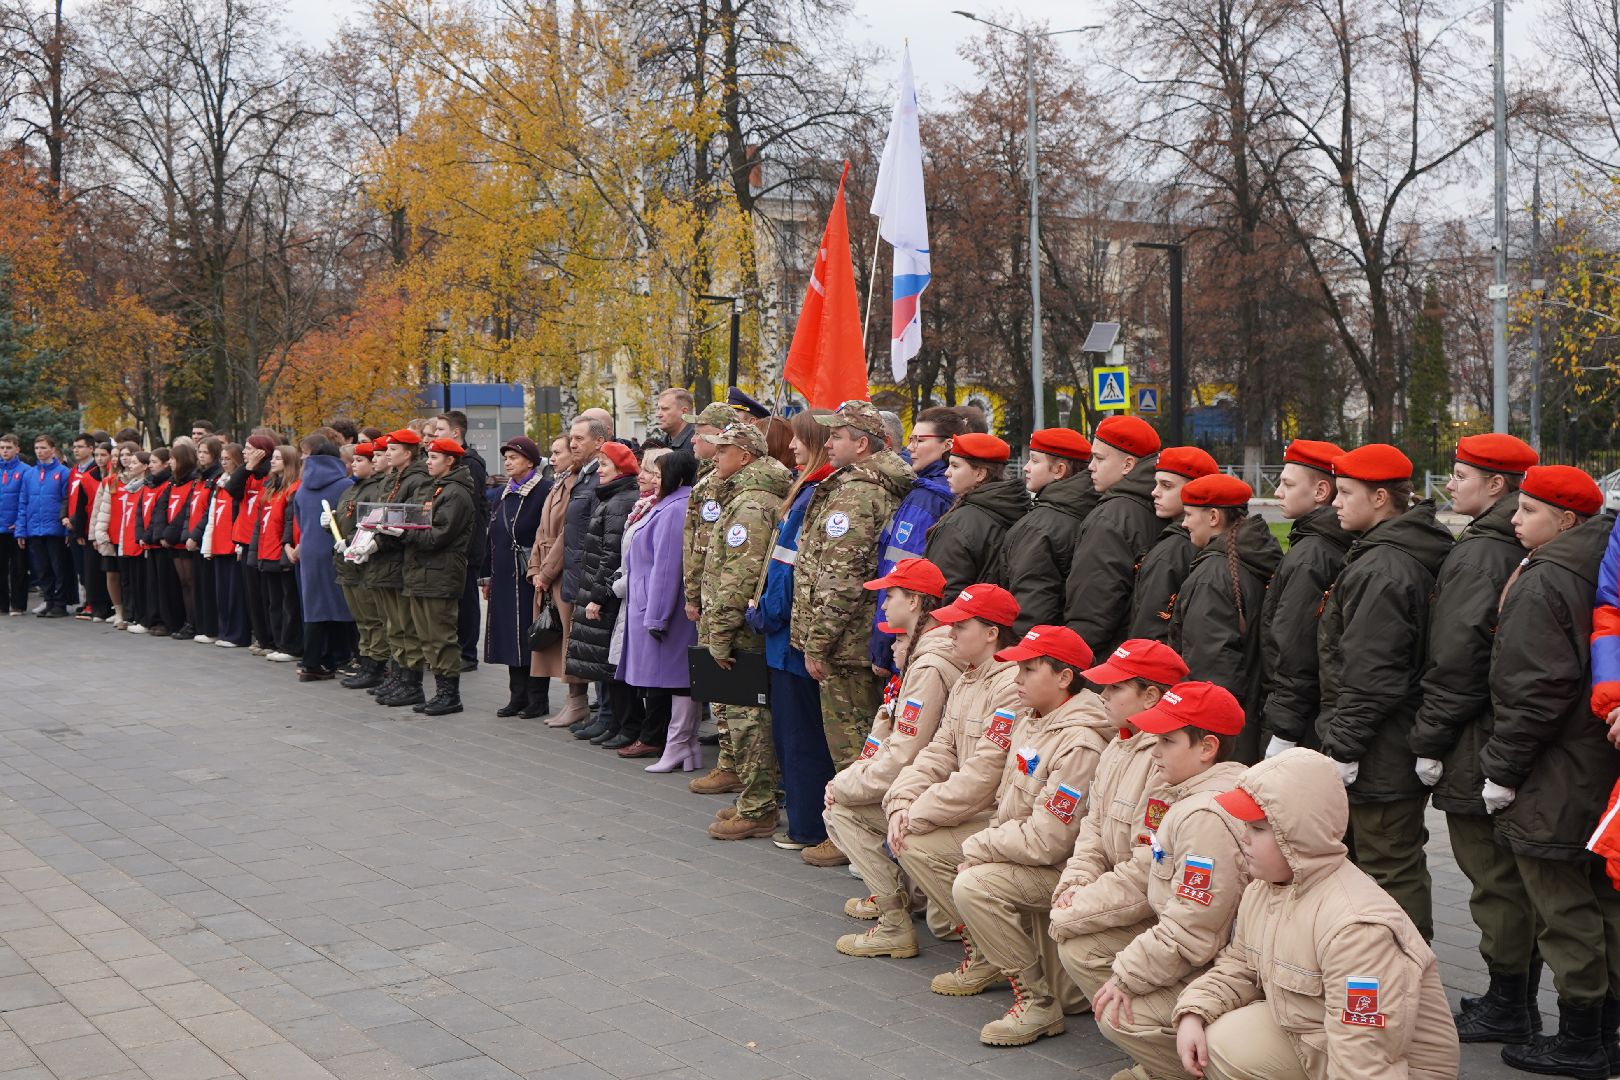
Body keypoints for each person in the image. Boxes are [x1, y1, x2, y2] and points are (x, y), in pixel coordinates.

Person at [1172, 748, 1460, 1080]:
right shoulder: (1264, 888)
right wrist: (1195, 1011)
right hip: (1315, 1036)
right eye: (1244, 826)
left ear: (1297, 834)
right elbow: (1237, 967)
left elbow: (1364, 1055)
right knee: (1221, 1036)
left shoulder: (1357, 927)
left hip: (1390, 1069)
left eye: (1259, 829)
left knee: (1229, 1042)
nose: (1243, 838)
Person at [1480, 465, 1619, 1079]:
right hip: (1597, 761)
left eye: (1529, 509)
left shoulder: (1545, 579)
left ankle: (1580, 1040)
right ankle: (1606, 1035)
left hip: (1555, 770)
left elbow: (1532, 688)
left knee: (1563, 908)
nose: (1514, 518)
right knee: (1604, 898)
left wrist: (1502, 770)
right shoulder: (1601, 561)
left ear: (1566, 520)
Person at [1405, 433, 1543, 1044]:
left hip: (1474, 735)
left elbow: (1458, 654)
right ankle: (1512, 997)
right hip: (1492, 728)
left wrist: (1430, 739)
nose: (1451, 484)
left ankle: (1509, 1002)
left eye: (1462, 475)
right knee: (1502, 875)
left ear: (1497, 486)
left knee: (1490, 876)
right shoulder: (1499, 543)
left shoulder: (1482, 552)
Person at [1064, 682, 1250, 1080]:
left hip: (1222, 967)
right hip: (1192, 946)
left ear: (1207, 748)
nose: (1155, 750)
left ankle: (1180, 1066)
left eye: (1167, 740)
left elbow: (1194, 928)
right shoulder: (1183, 792)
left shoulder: (1206, 816)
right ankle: (1159, 1055)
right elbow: (1143, 868)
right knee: (1082, 945)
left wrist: (1127, 976)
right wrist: (1077, 903)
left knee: (1116, 1014)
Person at [950, 623, 1111, 1047]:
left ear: (1063, 678)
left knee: (972, 883)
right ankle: (1001, 960)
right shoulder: (1031, 720)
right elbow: (1009, 803)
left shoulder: (1079, 743)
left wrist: (979, 847)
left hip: (1061, 873)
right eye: (1016, 670)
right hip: (1027, 854)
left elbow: (1048, 842)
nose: (1016, 680)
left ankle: (1037, 1002)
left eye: (1028, 671)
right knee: (944, 857)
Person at [1316, 443, 1452, 941]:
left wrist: (1344, 746)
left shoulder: (1384, 568)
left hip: (1380, 746)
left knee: (1389, 867)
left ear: (1378, 499)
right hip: (1382, 739)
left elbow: (1375, 671)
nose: (1336, 502)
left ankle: (1404, 982)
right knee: (1385, 861)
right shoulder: (1384, 554)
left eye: (1346, 492)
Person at [884, 584, 1022, 997]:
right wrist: (902, 799)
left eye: (962, 625)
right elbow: (938, 750)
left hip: (997, 815)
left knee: (916, 841)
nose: (951, 633)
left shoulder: (1010, 685)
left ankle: (988, 954)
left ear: (992, 633)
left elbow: (984, 774)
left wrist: (918, 813)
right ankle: (971, 937)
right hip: (967, 808)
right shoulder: (967, 678)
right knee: (905, 830)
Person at [827, 557, 966, 953]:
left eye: (891, 596)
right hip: (934, 785)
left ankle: (894, 922)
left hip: (934, 789)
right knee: (846, 797)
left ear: (917, 601)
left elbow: (906, 753)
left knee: (841, 808)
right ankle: (910, 899)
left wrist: (843, 784)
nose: (884, 606)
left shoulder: (930, 663)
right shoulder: (928, 653)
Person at [1049, 639, 1190, 993]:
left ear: (1151, 696)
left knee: (1075, 942)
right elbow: (1092, 827)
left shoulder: (1165, 761)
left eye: (1116, 687)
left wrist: (1083, 902)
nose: (1104, 694)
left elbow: (1149, 866)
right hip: (1112, 885)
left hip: (1154, 905)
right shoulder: (1118, 744)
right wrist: (1077, 882)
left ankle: (1156, 1022)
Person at [793, 400, 914, 769]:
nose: (827, 444)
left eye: (836, 436)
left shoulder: (857, 495)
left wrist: (817, 644)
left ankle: (854, 826)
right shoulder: (865, 485)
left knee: (852, 751)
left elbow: (842, 577)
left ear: (861, 445)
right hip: (855, 640)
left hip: (846, 647)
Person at [697, 424, 793, 841]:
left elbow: (738, 576)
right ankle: (755, 799)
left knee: (748, 720)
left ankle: (759, 808)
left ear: (746, 456)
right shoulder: (744, 496)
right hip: (739, 627)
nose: (715, 457)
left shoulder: (751, 505)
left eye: (723, 450)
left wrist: (718, 634)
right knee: (746, 718)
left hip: (740, 634)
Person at [755, 411, 840, 845]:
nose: (790, 446)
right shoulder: (811, 489)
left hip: (788, 637)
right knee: (796, 733)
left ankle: (807, 826)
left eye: (799, 439)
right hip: (788, 635)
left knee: (799, 736)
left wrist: (765, 613)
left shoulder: (812, 494)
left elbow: (788, 568)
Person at [1168, 474, 1282, 763]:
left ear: (1214, 517)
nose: (1184, 523)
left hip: (1221, 733)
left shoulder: (1212, 577)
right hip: (1248, 718)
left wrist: (1204, 734)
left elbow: (1211, 668)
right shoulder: (1248, 558)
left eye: (1190, 515)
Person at [1260, 439, 1351, 756]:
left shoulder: (1310, 555)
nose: (1277, 492)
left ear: (1321, 492)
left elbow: (1294, 647)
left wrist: (1283, 730)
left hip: (1300, 720)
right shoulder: (1317, 544)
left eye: (1287, 483)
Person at [868, 406, 964, 672]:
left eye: (920, 440)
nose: (911, 447)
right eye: (911, 439)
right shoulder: (926, 490)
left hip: (906, 638)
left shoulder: (928, 497)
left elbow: (900, 577)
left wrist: (883, 642)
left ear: (948, 444)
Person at [617, 452, 698, 759]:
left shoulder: (675, 508)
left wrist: (657, 618)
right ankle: (682, 748)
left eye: (658, 473)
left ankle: (678, 746)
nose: (650, 478)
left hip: (662, 610)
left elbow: (666, 567)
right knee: (671, 680)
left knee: (675, 680)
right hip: (650, 603)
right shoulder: (665, 505)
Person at [392, 437, 480, 715]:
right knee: (426, 635)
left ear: (450, 460)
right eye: (428, 457)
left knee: (440, 635)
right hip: (421, 571)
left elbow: (440, 535)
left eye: (434, 457)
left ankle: (449, 694)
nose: (427, 462)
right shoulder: (435, 487)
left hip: (440, 572)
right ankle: (441, 692)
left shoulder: (456, 493)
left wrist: (404, 532)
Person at [1064, 416, 1162, 657]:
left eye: (1099, 458)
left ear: (1128, 465)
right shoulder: (1158, 503)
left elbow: (1092, 607)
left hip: (1108, 659)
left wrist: (1073, 660)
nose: (1090, 466)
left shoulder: (1110, 519)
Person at [566, 441, 639, 740]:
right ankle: (612, 721)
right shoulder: (611, 497)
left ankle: (623, 724)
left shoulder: (621, 501)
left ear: (621, 469)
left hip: (606, 594)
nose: (599, 473)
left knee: (612, 662)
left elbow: (611, 556)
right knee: (603, 661)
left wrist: (598, 596)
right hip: (598, 589)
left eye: (605, 466)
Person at [997, 428, 1097, 635]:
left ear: (1059, 470)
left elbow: (1031, 603)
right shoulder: (1092, 507)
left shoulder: (1040, 525)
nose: (1025, 467)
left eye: (1034, 461)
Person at [483, 436, 549, 717]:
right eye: (506, 458)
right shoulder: (502, 493)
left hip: (529, 575)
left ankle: (537, 698)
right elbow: (492, 535)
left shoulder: (544, 490)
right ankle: (516, 695)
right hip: (504, 575)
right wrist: (486, 577)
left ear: (530, 461)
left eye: (514, 458)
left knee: (530, 634)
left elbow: (547, 534)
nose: (508, 462)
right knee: (509, 634)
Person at [922, 432, 1028, 601]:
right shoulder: (1018, 508)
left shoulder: (958, 524)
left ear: (980, 474)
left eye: (955, 466)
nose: (947, 473)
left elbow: (942, 592)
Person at [1127, 445, 1218, 641]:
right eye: (1156, 484)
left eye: (1166, 486)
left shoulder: (1173, 551)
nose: (1154, 493)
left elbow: (1150, 631)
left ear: (1195, 490)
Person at [370, 430, 432, 707]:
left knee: (405, 624)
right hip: (386, 558)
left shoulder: (416, 479)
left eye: (393, 449)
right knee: (393, 625)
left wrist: (380, 536)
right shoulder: (393, 478)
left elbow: (408, 516)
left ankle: (411, 682)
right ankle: (398, 676)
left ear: (408, 453)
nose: (387, 454)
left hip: (399, 558)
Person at [529, 436, 587, 727]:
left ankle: (578, 701)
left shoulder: (576, 484)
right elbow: (542, 530)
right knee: (560, 638)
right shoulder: (557, 483)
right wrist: (535, 567)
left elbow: (568, 535)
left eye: (557, 452)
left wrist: (546, 571)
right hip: (548, 569)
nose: (552, 458)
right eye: (550, 453)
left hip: (562, 570)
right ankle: (572, 701)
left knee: (569, 638)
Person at [291, 435, 355, 681]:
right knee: (342, 604)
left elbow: (298, 518)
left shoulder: (302, 487)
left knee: (315, 607)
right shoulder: (343, 485)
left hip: (309, 549)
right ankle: (344, 655)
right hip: (334, 548)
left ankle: (312, 662)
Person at [562, 415, 608, 735]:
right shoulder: (583, 475)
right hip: (577, 571)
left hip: (591, 574)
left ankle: (606, 713)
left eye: (579, 439)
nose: (572, 444)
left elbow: (602, 533)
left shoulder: (600, 478)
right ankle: (601, 713)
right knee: (586, 646)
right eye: (571, 439)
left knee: (599, 646)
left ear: (599, 442)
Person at [433, 410, 487, 672]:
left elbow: (472, 509)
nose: (434, 435)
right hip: (453, 544)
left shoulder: (471, 463)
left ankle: (468, 652)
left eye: (440, 430)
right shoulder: (450, 462)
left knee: (466, 599)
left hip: (466, 544)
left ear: (456, 433)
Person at [333, 442, 385, 681]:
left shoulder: (374, 490)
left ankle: (375, 664)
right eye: (353, 461)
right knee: (360, 618)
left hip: (363, 561)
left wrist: (351, 541)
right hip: (347, 562)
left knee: (371, 617)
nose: (354, 465)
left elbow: (369, 524)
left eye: (360, 461)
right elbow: (346, 519)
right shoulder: (351, 489)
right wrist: (330, 524)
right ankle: (365, 661)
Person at [255, 444, 303, 663]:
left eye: (277, 458)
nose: (272, 461)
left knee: (288, 602)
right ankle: (277, 641)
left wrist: (286, 548)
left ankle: (290, 645)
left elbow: (288, 522)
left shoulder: (293, 488)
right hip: (267, 551)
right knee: (274, 601)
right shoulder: (272, 487)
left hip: (281, 552)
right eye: (272, 457)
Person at [17, 433, 73, 617]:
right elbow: (23, 502)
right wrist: (21, 530)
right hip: (34, 528)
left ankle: (60, 602)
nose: (39, 452)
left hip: (55, 529)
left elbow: (67, 501)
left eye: (43, 448)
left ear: (52, 450)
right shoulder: (29, 474)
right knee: (41, 568)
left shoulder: (63, 473)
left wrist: (66, 528)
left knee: (58, 567)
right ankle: (49, 600)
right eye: (37, 448)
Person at [205, 443, 251, 649]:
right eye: (221, 459)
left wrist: (240, 545)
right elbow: (212, 517)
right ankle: (224, 631)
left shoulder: (240, 483)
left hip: (233, 546)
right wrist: (208, 545)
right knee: (221, 592)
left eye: (228, 459)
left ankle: (237, 634)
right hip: (218, 544)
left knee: (235, 594)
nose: (223, 462)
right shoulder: (219, 482)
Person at [236, 436, 277, 653]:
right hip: (245, 539)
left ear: (262, 452)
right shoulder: (247, 472)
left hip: (264, 539)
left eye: (249, 449)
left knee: (266, 594)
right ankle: (261, 638)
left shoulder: (271, 476)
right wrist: (248, 467)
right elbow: (233, 489)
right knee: (252, 594)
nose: (244, 451)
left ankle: (271, 639)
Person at [186, 437, 223, 642]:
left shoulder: (216, 477)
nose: (201, 456)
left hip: (204, 537)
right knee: (199, 584)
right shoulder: (199, 477)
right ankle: (202, 626)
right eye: (199, 452)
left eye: (205, 452)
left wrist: (195, 535)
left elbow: (209, 511)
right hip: (195, 536)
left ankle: (211, 628)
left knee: (208, 585)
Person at [116, 449, 149, 633]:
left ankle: (141, 617)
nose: (130, 464)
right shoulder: (131, 488)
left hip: (138, 543)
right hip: (127, 541)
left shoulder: (145, 488)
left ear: (145, 466)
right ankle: (131, 615)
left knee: (140, 582)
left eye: (135, 462)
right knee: (129, 582)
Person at [0, 433, 25, 614]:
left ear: (17, 449)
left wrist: (20, 522)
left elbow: (26, 500)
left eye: (8, 447)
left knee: (19, 569)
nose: (5, 451)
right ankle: (2, 605)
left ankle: (18, 605)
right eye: (2, 448)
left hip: (16, 528)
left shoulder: (26, 471)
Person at [654, 387, 695, 453]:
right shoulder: (659, 444)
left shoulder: (698, 443)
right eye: (658, 409)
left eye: (665, 409)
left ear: (684, 412)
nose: (658, 414)